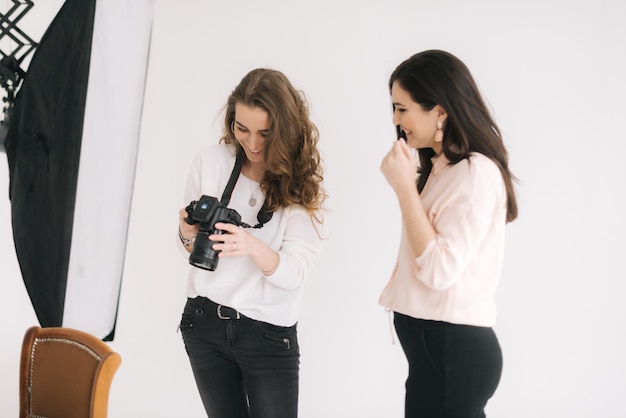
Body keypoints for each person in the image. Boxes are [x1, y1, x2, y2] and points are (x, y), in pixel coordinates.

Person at [177, 68, 327, 418]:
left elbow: (294, 274)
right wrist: (186, 231)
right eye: (241, 129)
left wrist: (250, 244)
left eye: (265, 133)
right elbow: (193, 249)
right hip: (204, 324)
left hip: (269, 336)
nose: (253, 144)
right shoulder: (210, 161)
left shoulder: (301, 183)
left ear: (285, 129)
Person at [379, 50, 518, 417]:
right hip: (438, 358)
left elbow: (439, 271)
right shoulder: (443, 169)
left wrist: (405, 190)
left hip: (452, 357)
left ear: (439, 111)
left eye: (402, 108)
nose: (395, 119)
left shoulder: (474, 173)